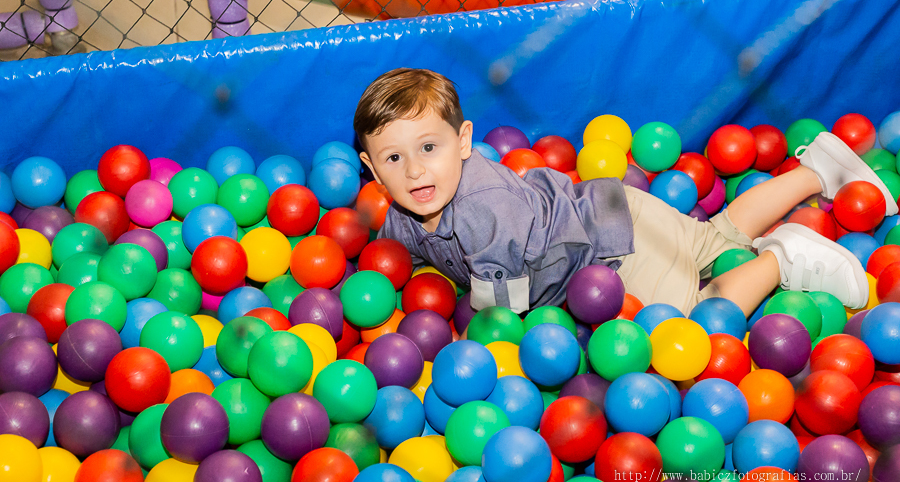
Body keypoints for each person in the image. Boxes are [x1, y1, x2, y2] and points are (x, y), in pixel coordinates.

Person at [354, 68, 895, 316]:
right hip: (613, 205)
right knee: (713, 236)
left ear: (465, 141)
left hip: (613, 250)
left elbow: (501, 314)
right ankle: (817, 170)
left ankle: (782, 259)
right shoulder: (403, 214)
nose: (415, 173)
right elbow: (390, 255)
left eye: (429, 148)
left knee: (691, 323)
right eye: (394, 159)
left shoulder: (482, 212)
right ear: (371, 170)